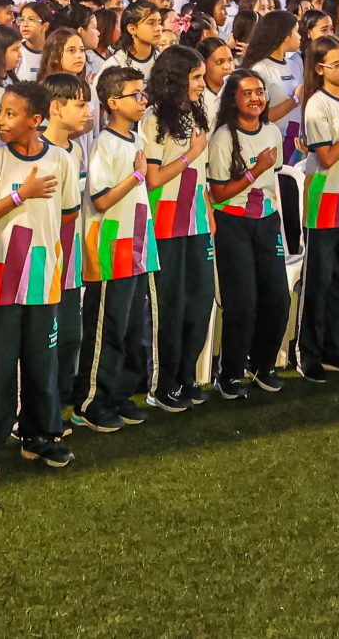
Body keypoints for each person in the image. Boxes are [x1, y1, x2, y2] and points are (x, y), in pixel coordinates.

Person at [0, 81, 78, 478]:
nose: (1, 121)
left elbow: (68, 214)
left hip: (43, 278)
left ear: (36, 120)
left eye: (11, 114)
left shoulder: (61, 159)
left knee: (42, 362)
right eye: (0, 112)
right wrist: (20, 195)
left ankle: (40, 436)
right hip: (0, 277)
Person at [73, 63, 159, 425]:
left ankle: (119, 393)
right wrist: (136, 175)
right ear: (112, 102)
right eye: (134, 95)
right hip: (110, 247)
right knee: (106, 328)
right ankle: (91, 401)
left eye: (143, 93)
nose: (142, 100)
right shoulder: (104, 144)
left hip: (136, 243)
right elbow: (102, 198)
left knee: (130, 327)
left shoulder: (137, 139)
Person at [205, 68, 290, 398]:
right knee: (242, 302)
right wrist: (254, 171)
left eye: (260, 92)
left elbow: (273, 180)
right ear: (233, 99)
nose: (256, 98)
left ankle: (263, 364)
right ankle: (229, 374)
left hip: (266, 220)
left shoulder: (272, 132)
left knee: (278, 297)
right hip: (232, 223)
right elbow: (218, 193)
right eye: (248, 93)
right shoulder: (223, 138)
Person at [141, 47, 215, 409]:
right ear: (176, 78)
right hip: (165, 223)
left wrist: (209, 213)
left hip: (196, 220)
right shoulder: (155, 120)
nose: (202, 83)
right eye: (196, 77)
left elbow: (202, 176)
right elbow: (152, 179)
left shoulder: (198, 113)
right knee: (168, 308)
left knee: (200, 301)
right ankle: (162, 385)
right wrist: (191, 154)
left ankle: (187, 376)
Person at [291, 38, 339, 380]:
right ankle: (308, 350)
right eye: (337, 64)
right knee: (318, 278)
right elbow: (325, 157)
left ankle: (337, 346)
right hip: (324, 196)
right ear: (320, 69)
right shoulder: (317, 104)